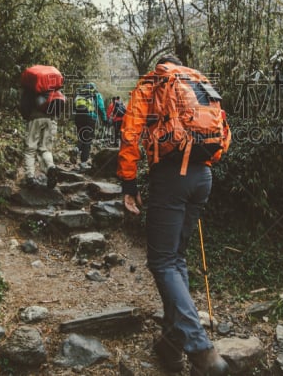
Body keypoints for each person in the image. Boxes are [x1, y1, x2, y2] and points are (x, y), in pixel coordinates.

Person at [117, 56, 231, 376]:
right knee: (176, 260)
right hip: (203, 178)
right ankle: (170, 345)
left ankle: (201, 348)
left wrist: (129, 180)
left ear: (160, 65)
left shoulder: (153, 81)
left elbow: (131, 130)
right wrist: (201, 162)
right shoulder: (199, 81)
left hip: (171, 177)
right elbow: (223, 133)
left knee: (162, 262)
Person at [19, 66, 64, 189]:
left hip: (35, 118)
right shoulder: (54, 88)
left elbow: (24, 105)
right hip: (51, 120)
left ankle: (30, 178)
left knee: (30, 149)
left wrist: (27, 116)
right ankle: (50, 168)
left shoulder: (31, 88)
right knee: (45, 149)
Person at [72, 82, 106, 171]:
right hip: (89, 118)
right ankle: (83, 162)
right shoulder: (96, 94)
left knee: (82, 137)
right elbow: (101, 107)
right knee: (87, 140)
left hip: (78, 118)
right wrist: (104, 119)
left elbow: (74, 106)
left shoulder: (80, 94)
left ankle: (76, 148)